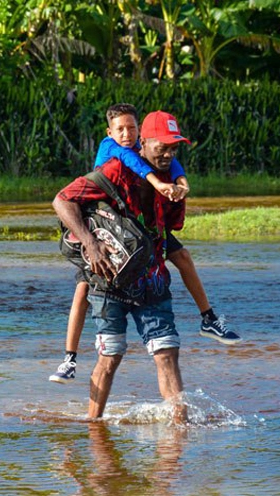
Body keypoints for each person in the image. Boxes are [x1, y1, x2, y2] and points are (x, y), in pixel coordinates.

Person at [50, 107, 240, 384]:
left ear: (140, 132)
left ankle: (208, 318)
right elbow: (134, 163)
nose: (126, 135)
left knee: (183, 256)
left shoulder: (157, 155)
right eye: (120, 130)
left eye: (131, 129)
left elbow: (170, 164)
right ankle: (69, 357)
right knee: (83, 287)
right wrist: (91, 244)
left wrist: (180, 183)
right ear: (110, 133)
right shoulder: (114, 150)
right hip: (102, 226)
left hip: (139, 231)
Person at [51, 110, 195, 422]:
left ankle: (179, 430)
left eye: (174, 148)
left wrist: (177, 194)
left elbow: (170, 228)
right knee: (110, 356)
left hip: (152, 280)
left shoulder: (172, 178)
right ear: (144, 143)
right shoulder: (114, 169)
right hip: (109, 280)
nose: (169, 154)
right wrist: (90, 243)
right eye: (163, 147)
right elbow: (62, 201)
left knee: (167, 353)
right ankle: (93, 426)